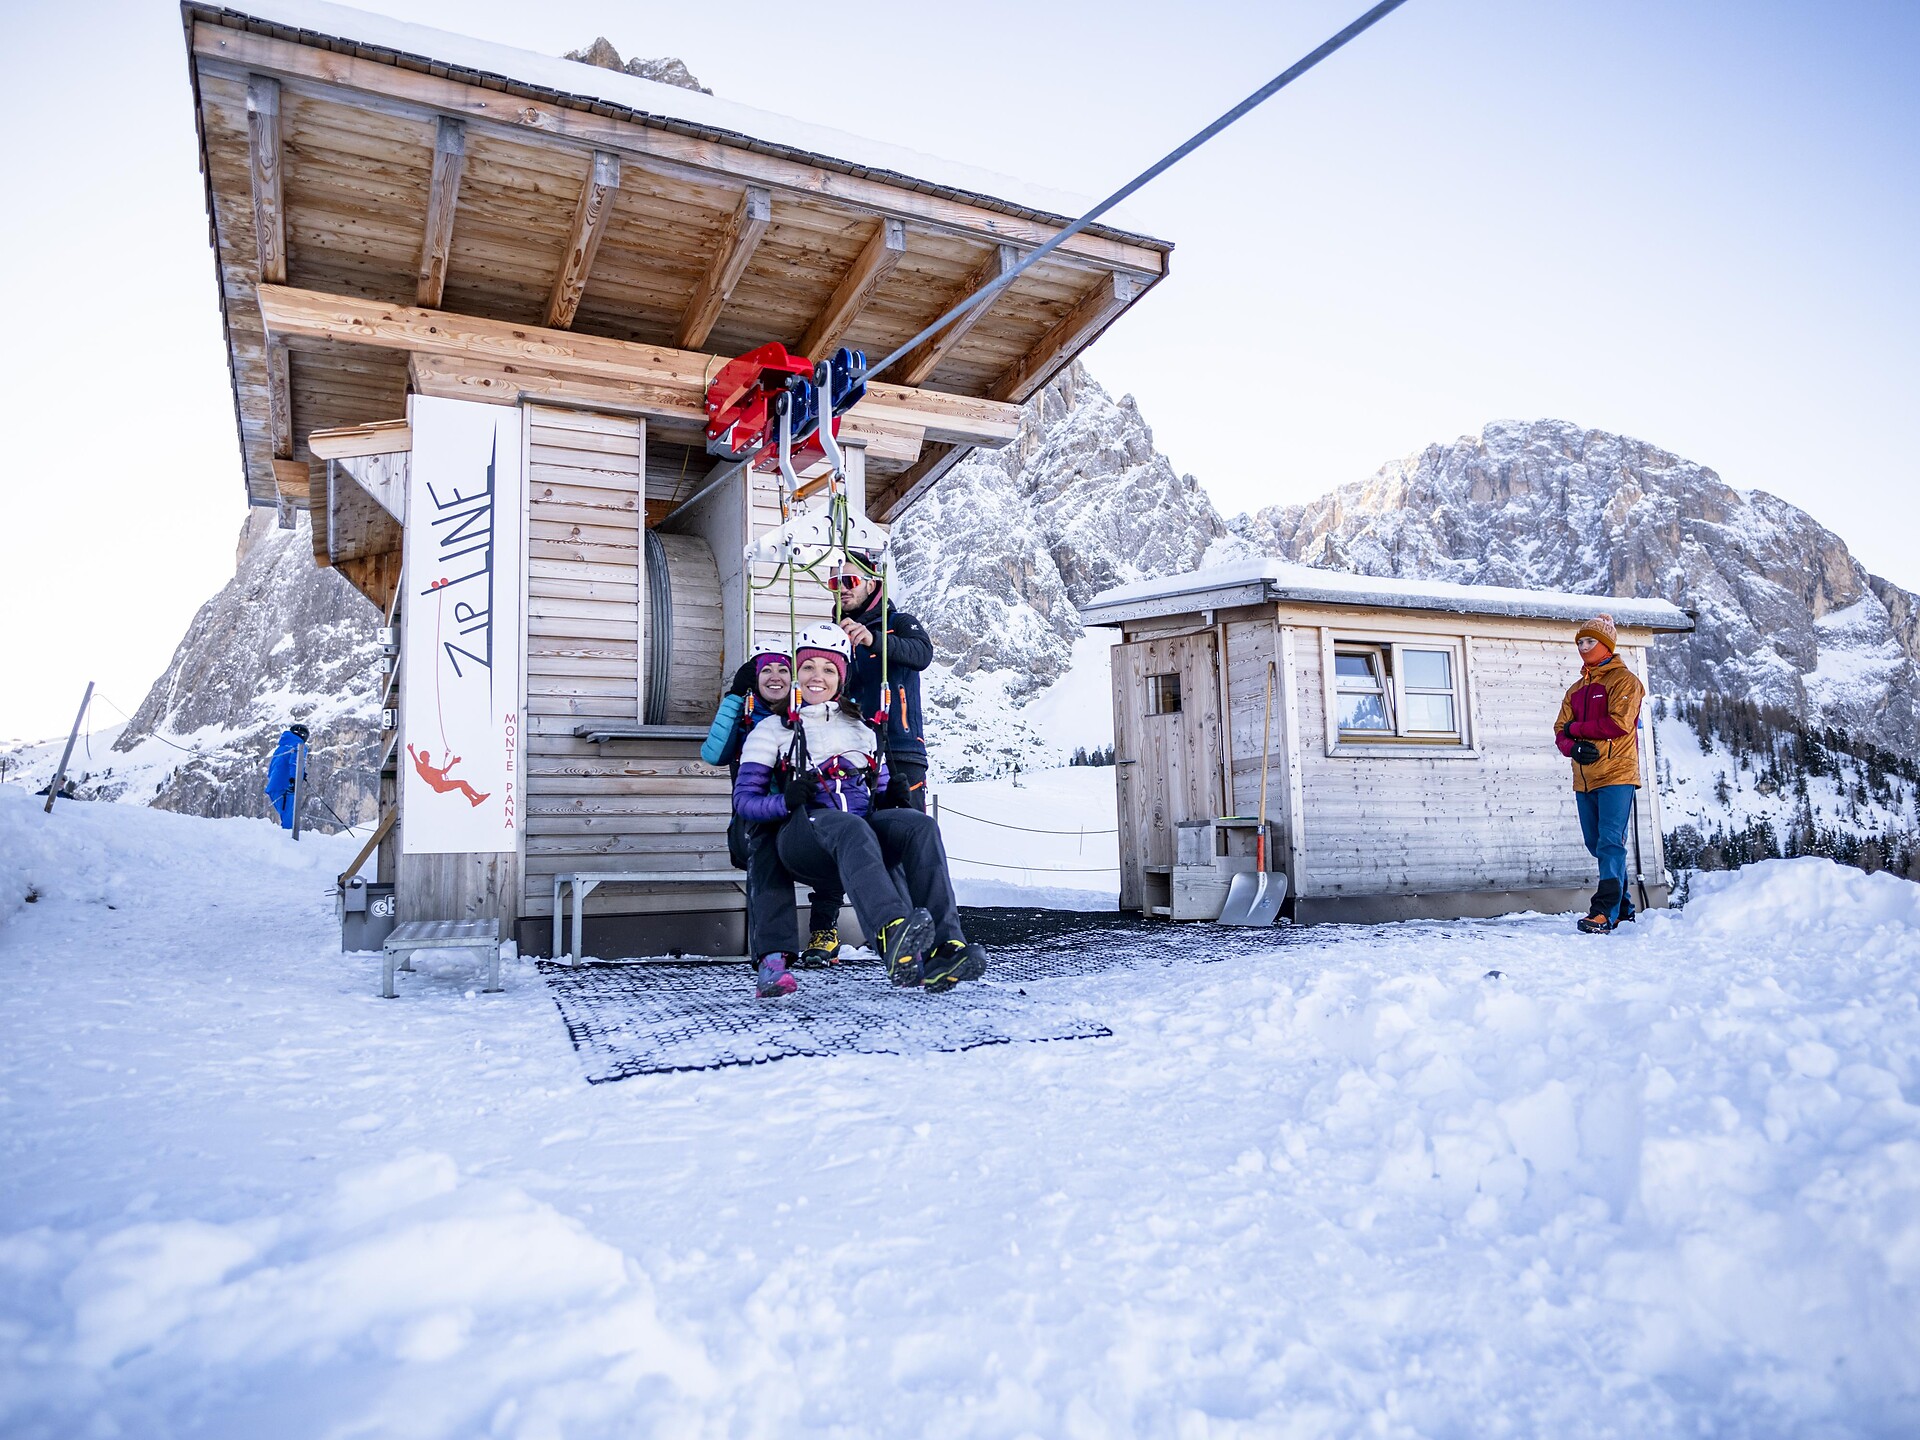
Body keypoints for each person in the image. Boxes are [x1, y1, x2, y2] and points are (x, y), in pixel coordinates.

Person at [733, 622, 986, 999]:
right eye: (808, 667)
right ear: (797, 674)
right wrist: (786, 800)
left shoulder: (863, 730)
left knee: (920, 826)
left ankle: (945, 948)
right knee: (849, 826)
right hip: (803, 839)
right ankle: (890, 928)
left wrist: (894, 799)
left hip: (855, 835)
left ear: (841, 677)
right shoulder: (775, 729)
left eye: (828, 669)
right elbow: (745, 801)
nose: (817, 677)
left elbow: (878, 795)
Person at [700, 639, 844, 966]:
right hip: (754, 821)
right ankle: (773, 951)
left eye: (783, 669)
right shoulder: (744, 715)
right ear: (755, 677)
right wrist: (733, 698)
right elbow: (712, 754)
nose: (775, 676)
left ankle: (824, 930)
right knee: (765, 847)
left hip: (799, 819)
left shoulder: (806, 715)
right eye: (766, 670)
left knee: (834, 827)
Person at [1554, 614, 1646, 934]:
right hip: (1584, 777)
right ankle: (1623, 908)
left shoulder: (1625, 681)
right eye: (1580, 642)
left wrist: (1576, 730)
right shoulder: (1575, 690)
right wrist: (1572, 748)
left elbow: (1619, 723)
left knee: (1609, 842)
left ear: (1606, 644)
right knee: (1596, 843)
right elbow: (1559, 731)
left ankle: (1602, 911)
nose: (1583, 647)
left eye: (1590, 641)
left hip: (1617, 774)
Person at [830, 552, 934, 812]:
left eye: (849, 580)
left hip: (899, 747)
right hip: (848, 750)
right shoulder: (831, 634)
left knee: (906, 833)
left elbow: (922, 653)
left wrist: (873, 639)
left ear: (871, 582)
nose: (841, 588)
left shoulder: (899, 623)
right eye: (834, 583)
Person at [264, 723, 310, 830]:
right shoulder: (299, 745)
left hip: (274, 787)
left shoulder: (281, 747)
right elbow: (295, 762)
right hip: (287, 787)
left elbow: (274, 767)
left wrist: (301, 774)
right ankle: (290, 843)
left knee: (286, 816)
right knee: (290, 819)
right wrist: (296, 778)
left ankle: (287, 840)